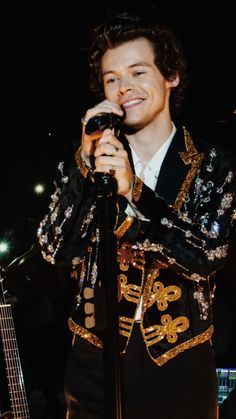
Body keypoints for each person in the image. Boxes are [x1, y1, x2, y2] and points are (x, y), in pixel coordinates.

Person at [37, 12, 236, 419]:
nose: (124, 87)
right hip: (93, 360)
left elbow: (207, 254)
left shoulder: (215, 165)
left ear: (171, 76)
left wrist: (135, 193)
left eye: (138, 72)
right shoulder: (87, 161)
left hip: (179, 363)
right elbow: (54, 250)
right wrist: (83, 166)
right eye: (112, 78)